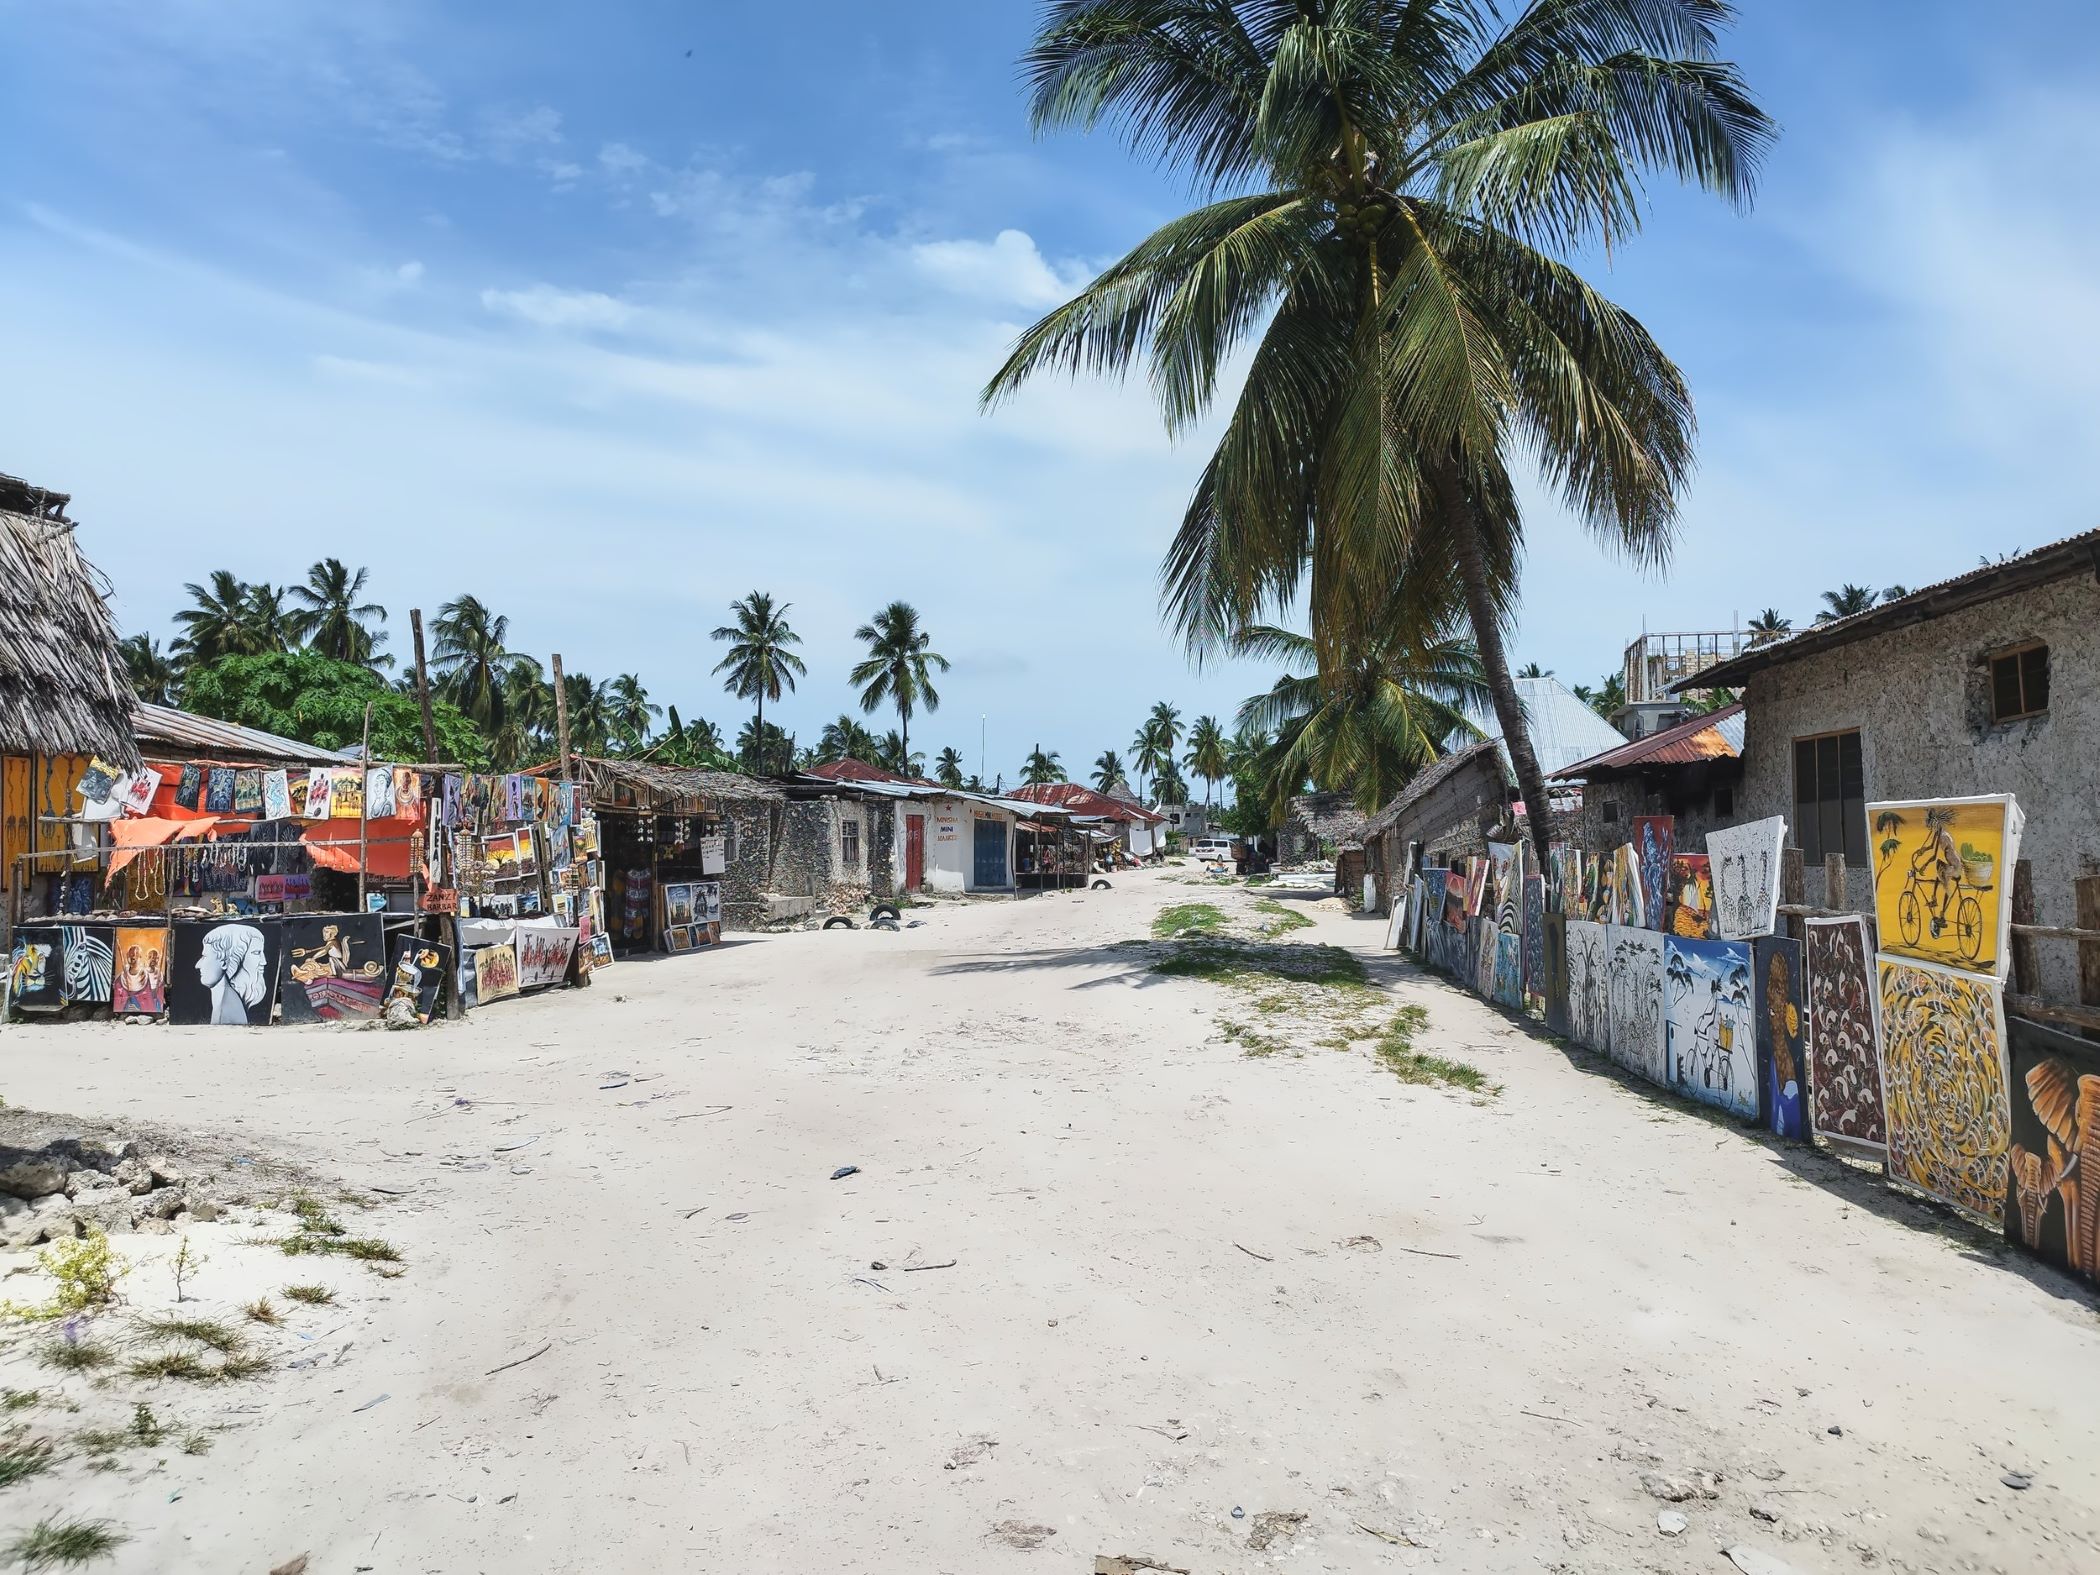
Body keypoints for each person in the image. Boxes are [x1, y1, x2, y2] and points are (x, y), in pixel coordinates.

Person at [198, 923, 272, 1025]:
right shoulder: (224, 1002)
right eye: (257, 953)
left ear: (225, 962)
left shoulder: (227, 1007)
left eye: (204, 956)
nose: (198, 965)